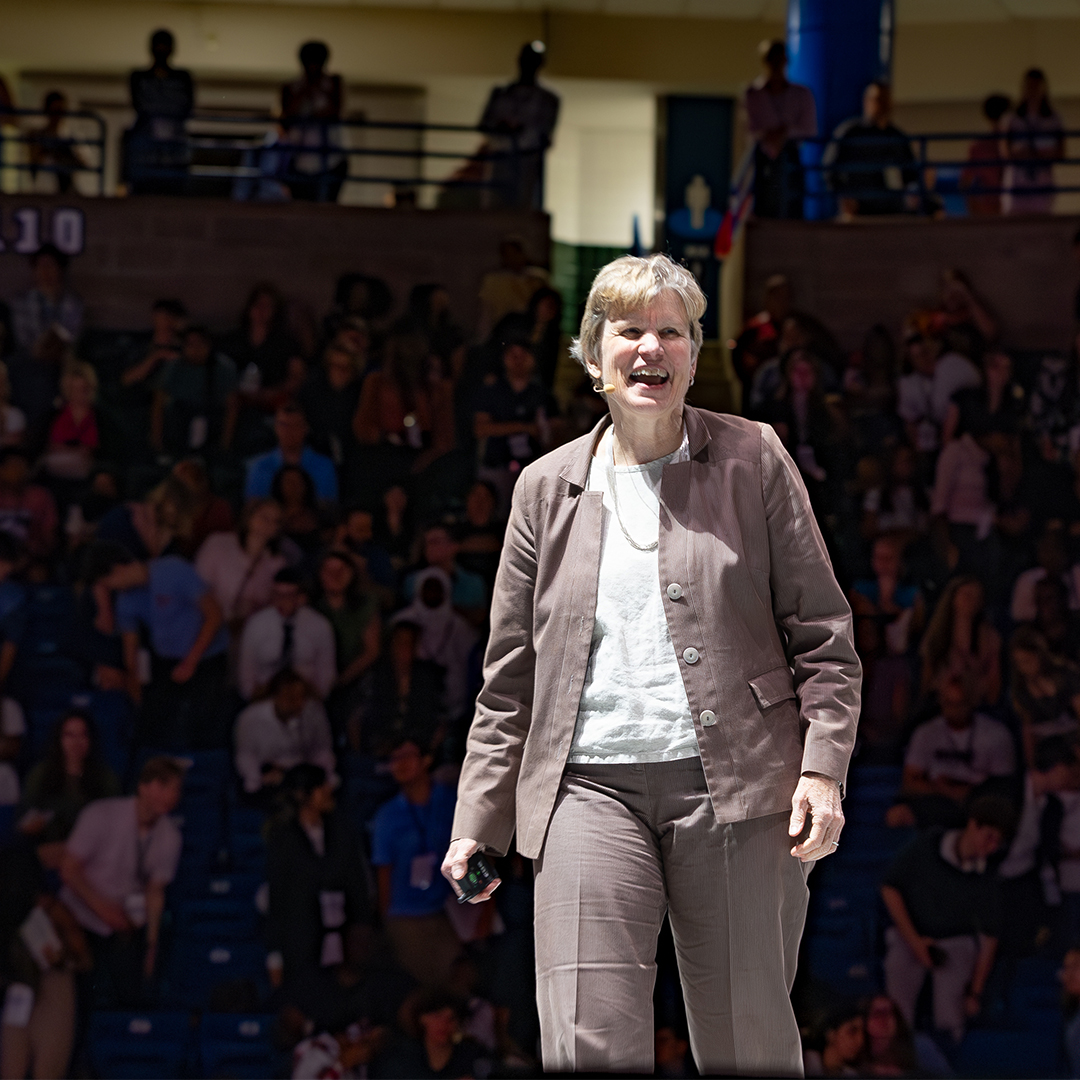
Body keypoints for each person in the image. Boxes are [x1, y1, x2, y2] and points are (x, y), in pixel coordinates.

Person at [442, 254, 861, 1075]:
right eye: (629, 330)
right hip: (585, 788)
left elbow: (823, 634)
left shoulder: (755, 457)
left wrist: (821, 771)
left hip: (737, 787)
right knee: (586, 1041)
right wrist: (476, 823)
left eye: (671, 332)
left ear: (694, 359)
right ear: (593, 357)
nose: (650, 348)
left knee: (749, 1045)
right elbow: (509, 682)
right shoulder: (541, 488)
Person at [881, 796, 1016, 1045]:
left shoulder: (988, 875)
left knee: (951, 1010)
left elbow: (989, 937)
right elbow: (891, 888)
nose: (991, 846)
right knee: (898, 985)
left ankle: (947, 1055)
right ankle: (898, 1052)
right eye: (989, 837)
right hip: (910, 935)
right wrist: (916, 943)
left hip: (955, 943)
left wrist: (974, 992)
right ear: (973, 825)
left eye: (997, 842)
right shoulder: (929, 845)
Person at [59, 756, 184, 1006]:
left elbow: (155, 890)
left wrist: (151, 943)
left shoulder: (170, 836)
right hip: (80, 913)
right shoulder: (101, 814)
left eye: (174, 789)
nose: (169, 795)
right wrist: (101, 907)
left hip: (122, 920)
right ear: (143, 786)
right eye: (162, 786)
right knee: (78, 994)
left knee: (129, 989)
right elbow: (69, 869)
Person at [107, 552, 228, 749]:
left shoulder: (173, 571)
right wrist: (136, 693)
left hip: (207, 659)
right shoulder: (125, 599)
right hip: (165, 663)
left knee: (204, 727)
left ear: (119, 570)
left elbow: (214, 616)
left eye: (109, 581)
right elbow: (130, 653)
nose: (112, 588)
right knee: (159, 726)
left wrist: (191, 661)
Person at [372, 738, 461, 988]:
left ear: (426, 760)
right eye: (394, 758)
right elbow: (383, 874)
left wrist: (483, 908)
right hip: (406, 916)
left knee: (461, 981)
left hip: (448, 911)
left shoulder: (449, 801)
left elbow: (471, 850)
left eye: (406, 756)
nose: (399, 764)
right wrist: (387, 923)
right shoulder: (387, 816)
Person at [891, 674, 1015, 829]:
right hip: (936, 799)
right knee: (898, 815)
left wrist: (968, 792)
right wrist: (945, 790)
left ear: (971, 702)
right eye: (948, 703)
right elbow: (910, 782)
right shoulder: (926, 733)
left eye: (959, 704)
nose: (953, 710)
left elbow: (1004, 787)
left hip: (979, 801)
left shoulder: (996, 734)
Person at [472, 315, 559, 512]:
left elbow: (557, 430)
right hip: (495, 467)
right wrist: (524, 427)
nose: (517, 360)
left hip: (532, 469)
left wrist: (544, 432)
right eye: (512, 354)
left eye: (523, 355)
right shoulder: (492, 390)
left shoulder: (543, 394)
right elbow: (480, 428)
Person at [18, 710, 120, 867]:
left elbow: (114, 824)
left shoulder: (105, 777)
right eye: (69, 735)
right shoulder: (41, 773)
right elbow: (24, 817)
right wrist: (32, 825)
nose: (76, 741)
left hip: (92, 852)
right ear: (59, 739)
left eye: (83, 735)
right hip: (47, 846)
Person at [478, 41, 559, 210]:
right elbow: (484, 124)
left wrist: (523, 132)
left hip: (527, 160)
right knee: (494, 205)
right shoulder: (500, 93)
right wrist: (502, 128)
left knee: (522, 206)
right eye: (526, 59)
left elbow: (546, 134)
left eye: (533, 60)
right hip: (500, 157)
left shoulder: (548, 100)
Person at [744, 40, 818, 220]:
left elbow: (809, 128)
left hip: (790, 159)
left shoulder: (802, 94)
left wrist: (785, 133)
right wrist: (769, 137)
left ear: (786, 61)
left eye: (780, 59)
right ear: (764, 61)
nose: (776, 65)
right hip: (762, 163)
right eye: (771, 59)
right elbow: (750, 129)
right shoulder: (753, 94)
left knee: (791, 207)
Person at [235, 668, 336, 798]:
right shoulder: (250, 718)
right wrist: (258, 779)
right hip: (265, 776)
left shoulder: (314, 712)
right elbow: (246, 755)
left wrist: (327, 777)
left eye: (301, 697)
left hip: (302, 776)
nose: (298, 703)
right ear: (276, 696)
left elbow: (321, 749)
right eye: (291, 698)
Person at [238, 567, 336, 700]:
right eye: (277, 594)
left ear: (302, 597)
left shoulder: (320, 626)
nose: (282, 601)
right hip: (265, 700)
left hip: (306, 700)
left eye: (288, 595)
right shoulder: (256, 624)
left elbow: (326, 674)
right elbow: (246, 675)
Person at [195, 497, 289, 635]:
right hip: (211, 627)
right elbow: (198, 587)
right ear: (249, 517)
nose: (268, 524)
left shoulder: (277, 564)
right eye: (264, 517)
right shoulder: (217, 544)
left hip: (251, 633)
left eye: (275, 521)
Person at [827, 82, 917, 217]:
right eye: (877, 99)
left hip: (893, 210)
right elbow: (829, 169)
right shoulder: (850, 133)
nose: (882, 104)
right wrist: (844, 197)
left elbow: (911, 174)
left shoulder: (898, 137)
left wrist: (913, 194)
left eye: (885, 99)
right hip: (859, 209)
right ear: (866, 102)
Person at [151, 325, 239, 456]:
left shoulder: (223, 367)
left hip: (211, 418)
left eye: (200, 343)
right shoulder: (174, 366)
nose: (196, 349)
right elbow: (158, 403)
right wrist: (157, 441)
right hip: (179, 419)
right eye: (190, 344)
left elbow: (232, 406)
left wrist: (225, 446)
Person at [126, 29, 193, 195]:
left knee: (173, 191)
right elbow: (140, 104)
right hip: (145, 151)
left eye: (165, 46)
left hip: (173, 150)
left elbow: (186, 106)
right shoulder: (139, 77)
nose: (161, 50)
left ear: (171, 50)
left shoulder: (183, 77)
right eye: (158, 46)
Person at [919, 574, 1002, 706]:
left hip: (976, 703)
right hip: (942, 702)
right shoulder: (936, 634)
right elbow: (927, 676)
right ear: (953, 598)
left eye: (977, 596)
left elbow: (994, 680)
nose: (972, 601)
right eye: (967, 595)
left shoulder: (990, 636)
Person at [280, 41, 345, 203]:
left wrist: (316, 90)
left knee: (327, 204)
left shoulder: (333, 83)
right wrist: (305, 91)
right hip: (298, 158)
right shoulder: (291, 87)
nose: (313, 67)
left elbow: (335, 111)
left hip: (330, 159)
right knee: (301, 205)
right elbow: (287, 117)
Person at [1009, 626, 1080, 767]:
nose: (1024, 668)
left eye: (1028, 661)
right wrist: (1032, 769)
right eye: (1020, 663)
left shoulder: (1066, 675)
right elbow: (1028, 731)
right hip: (1048, 747)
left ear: (1040, 655)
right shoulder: (1021, 690)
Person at [245, 402, 338, 503]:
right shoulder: (260, 468)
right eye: (284, 425)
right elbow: (253, 509)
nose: (289, 431)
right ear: (275, 427)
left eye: (296, 425)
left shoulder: (324, 467)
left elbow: (327, 509)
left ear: (306, 428)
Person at [1004, 68, 1063, 216]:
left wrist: (1045, 153)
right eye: (1030, 86)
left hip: (1042, 180)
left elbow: (1061, 151)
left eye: (1036, 86)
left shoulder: (1052, 119)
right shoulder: (1013, 119)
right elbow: (1005, 151)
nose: (1033, 90)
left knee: (1041, 220)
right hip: (1019, 181)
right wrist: (1020, 153)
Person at [11, 244, 83, 355]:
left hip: (62, 361)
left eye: (50, 265)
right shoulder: (22, 302)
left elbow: (73, 338)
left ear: (60, 268)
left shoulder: (73, 302)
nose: (45, 271)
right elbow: (24, 340)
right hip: (30, 361)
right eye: (41, 266)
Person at [26, 90, 87, 195]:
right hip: (44, 189)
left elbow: (83, 162)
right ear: (47, 111)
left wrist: (64, 153)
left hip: (67, 190)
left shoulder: (71, 136)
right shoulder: (37, 135)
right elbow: (35, 159)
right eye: (54, 111)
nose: (58, 116)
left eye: (61, 110)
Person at [962, 93, 1011, 216]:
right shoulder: (980, 147)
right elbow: (965, 182)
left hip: (1010, 206)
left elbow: (965, 182)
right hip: (992, 209)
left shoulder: (1015, 146)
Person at [803, 1002, 864, 1078]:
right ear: (830, 1033)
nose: (860, 1040)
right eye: (852, 1031)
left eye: (863, 1033)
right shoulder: (805, 1062)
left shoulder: (851, 1074)